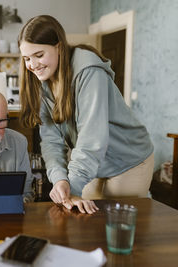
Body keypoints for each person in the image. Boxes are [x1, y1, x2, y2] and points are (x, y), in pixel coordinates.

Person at [18, 15, 154, 214]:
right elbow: (50, 141)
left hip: (127, 161)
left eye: (39, 55)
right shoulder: (41, 83)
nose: (32, 65)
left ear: (59, 47)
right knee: (82, 218)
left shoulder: (88, 70)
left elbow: (92, 138)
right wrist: (60, 179)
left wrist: (72, 188)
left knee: (119, 224)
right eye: (27, 58)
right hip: (93, 162)